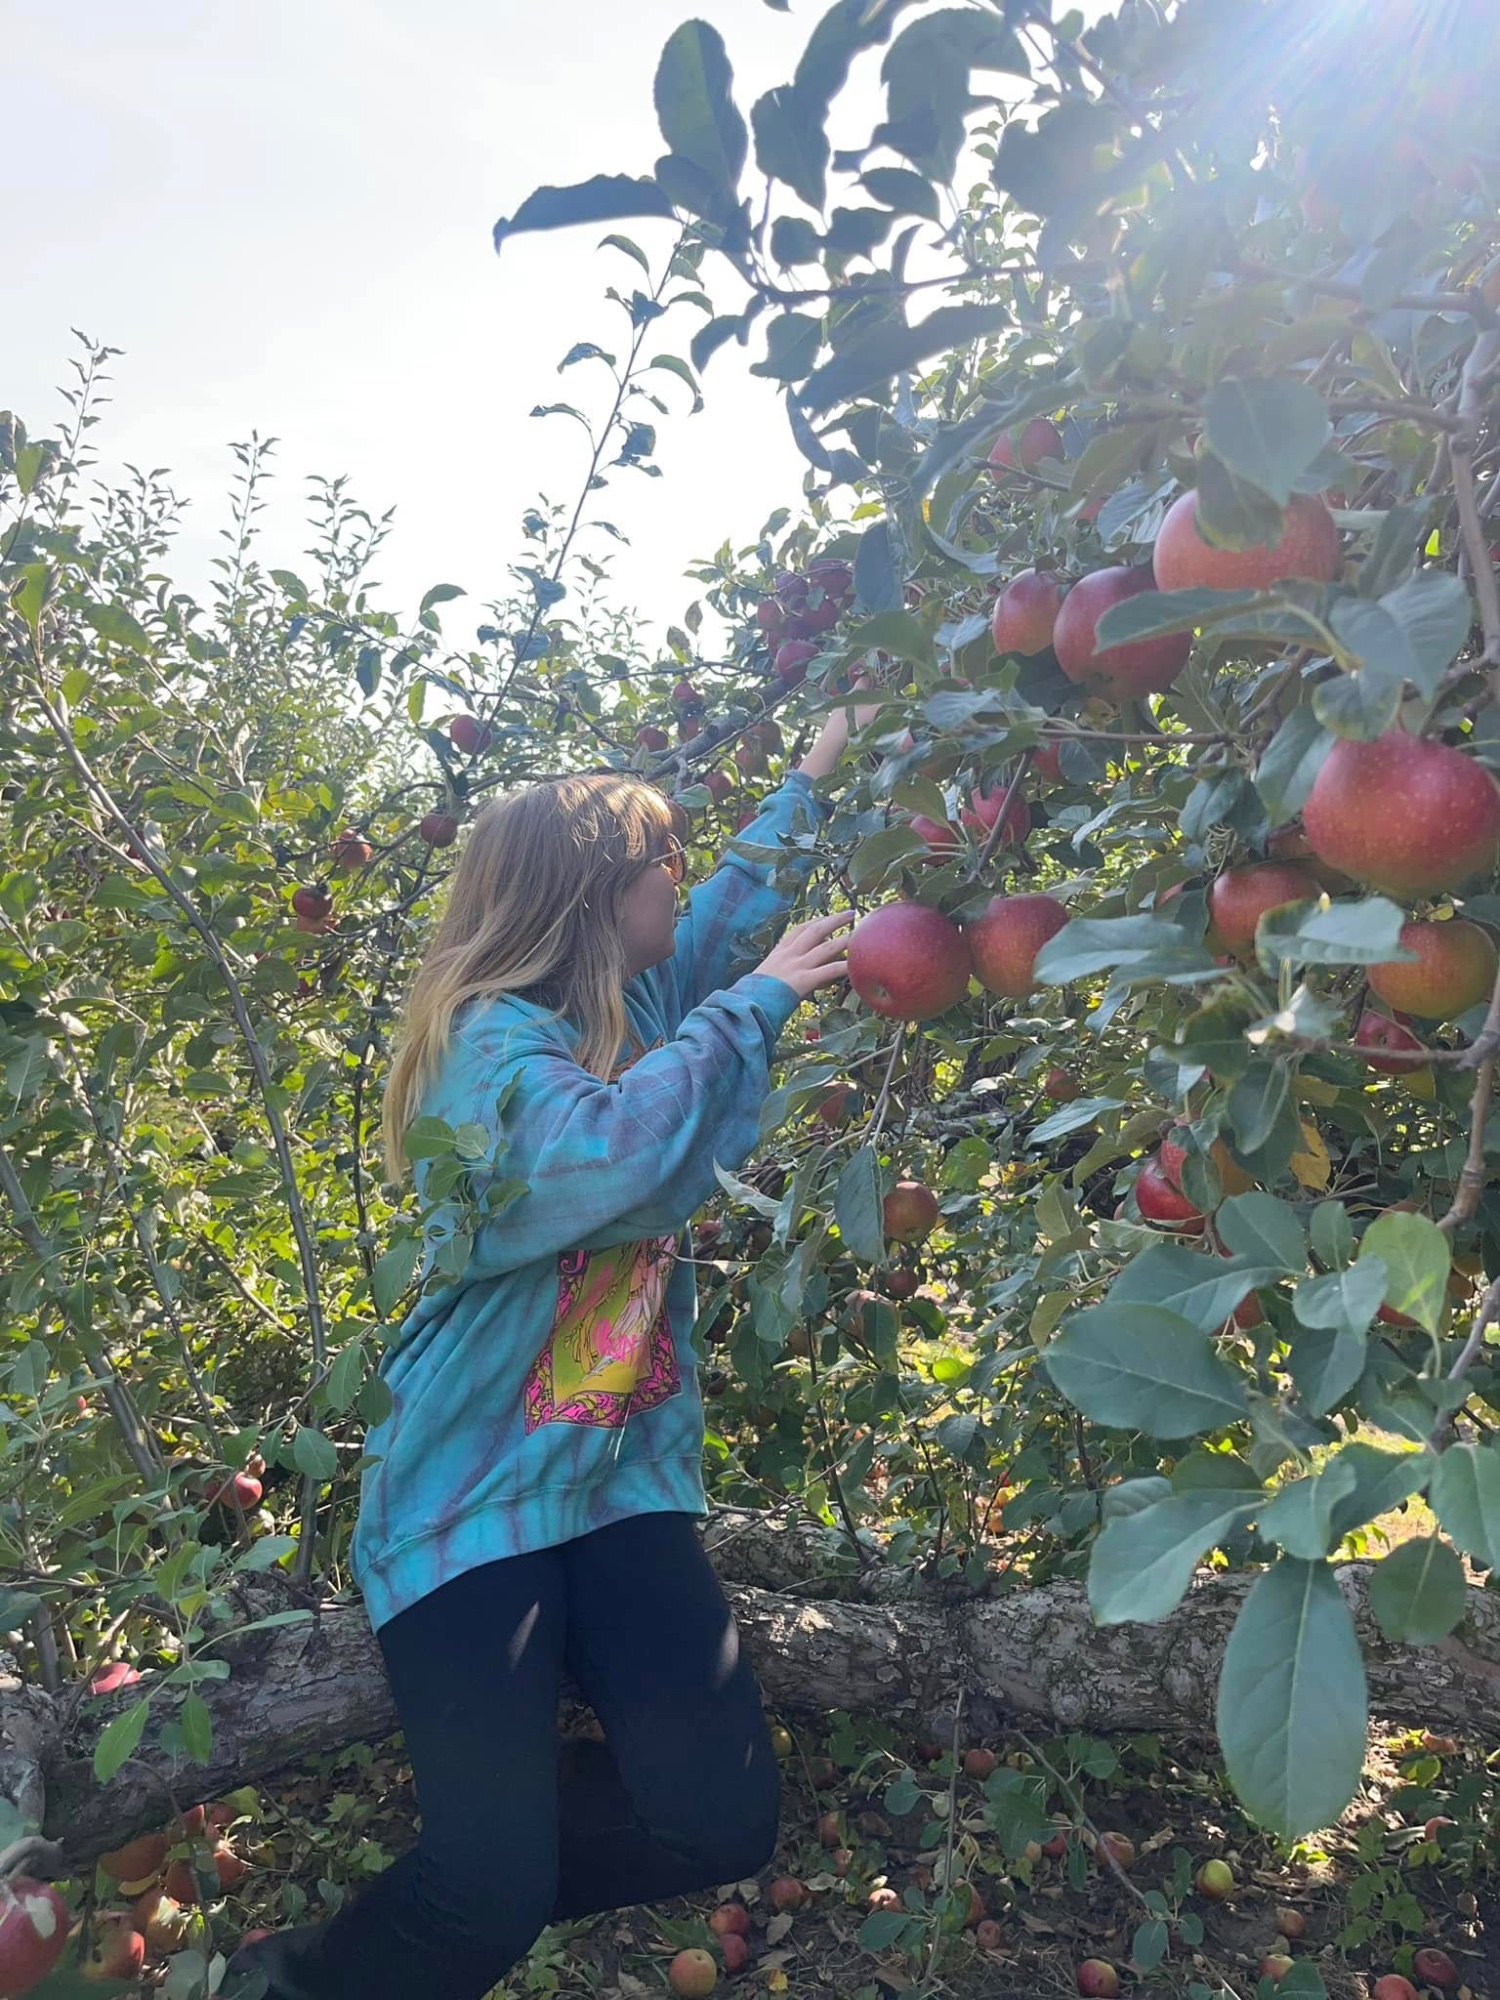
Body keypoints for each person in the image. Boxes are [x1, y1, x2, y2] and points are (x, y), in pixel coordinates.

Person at [229, 694, 871, 2000]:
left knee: (719, 1821)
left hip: (612, 1489)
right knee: (489, 1897)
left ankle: (492, 1833)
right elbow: (618, 1156)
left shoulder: (631, 1001)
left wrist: (826, 758)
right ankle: (295, 1978)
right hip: (469, 1499)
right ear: (596, 897)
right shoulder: (489, 1056)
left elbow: (731, 911)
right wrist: (749, 1009)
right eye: (658, 868)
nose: (678, 887)